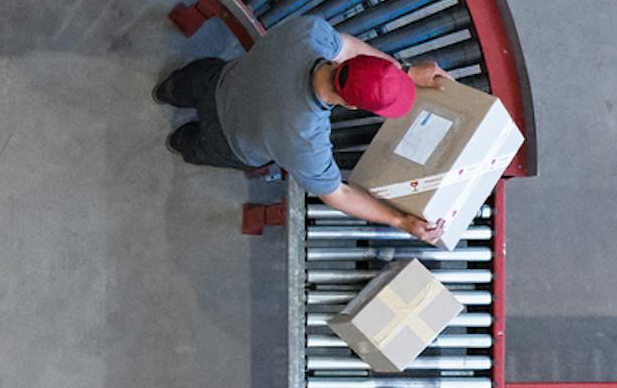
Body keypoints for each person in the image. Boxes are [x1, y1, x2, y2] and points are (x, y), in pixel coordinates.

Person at [155, 12, 456, 244]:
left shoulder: (308, 32)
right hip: (228, 142)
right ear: (351, 106)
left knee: (181, 84)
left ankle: (164, 92)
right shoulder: (305, 142)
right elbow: (339, 194)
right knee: (190, 144)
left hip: (219, 81)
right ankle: (176, 142)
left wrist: (404, 71)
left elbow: (348, 45)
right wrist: (400, 221)